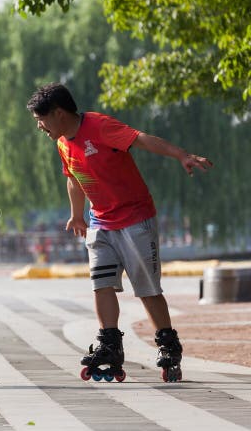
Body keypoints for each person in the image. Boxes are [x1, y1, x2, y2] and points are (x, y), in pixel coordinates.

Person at [27, 82, 213, 383]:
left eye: (41, 119)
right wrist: (76, 214)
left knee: (147, 288)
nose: (39, 126)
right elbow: (73, 178)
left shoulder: (100, 126)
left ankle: (168, 344)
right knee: (101, 283)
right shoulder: (62, 142)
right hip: (100, 222)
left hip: (135, 218)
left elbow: (142, 140)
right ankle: (110, 344)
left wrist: (181, 155)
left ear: (59, 113)